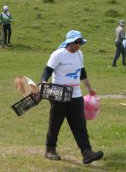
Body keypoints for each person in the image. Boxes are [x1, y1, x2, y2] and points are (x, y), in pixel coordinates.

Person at [40, 30, 104, 164]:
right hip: (59, 95)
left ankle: (87, 152)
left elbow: (82, 72)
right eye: (76, 42)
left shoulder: (79, 54)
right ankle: (49, 149)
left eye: (80, 42)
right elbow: (47, 70)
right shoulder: (59, 54)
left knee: (80, 125)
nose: (78, 45)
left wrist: (89, 88)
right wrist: (44, 82)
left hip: (76, 96)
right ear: (69, 42)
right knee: (55, 123)